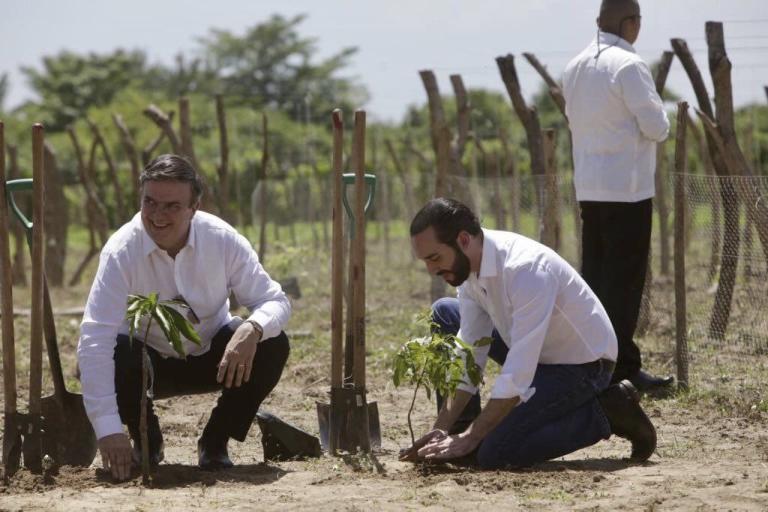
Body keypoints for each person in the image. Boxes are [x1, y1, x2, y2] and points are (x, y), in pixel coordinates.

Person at [77, 154, 291, 481]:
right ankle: (145, 439)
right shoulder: (121, 251)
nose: (158, 216)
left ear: (195, 207)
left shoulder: (221, 239)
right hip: (145, 368)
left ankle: (216, 441)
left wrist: (252, 328)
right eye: (150, 202)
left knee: (272, 343)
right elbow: (95, 338)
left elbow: (274, 300)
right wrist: (108, 430)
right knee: (118, 352)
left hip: (215, 359)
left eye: (172, 206)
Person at [403, 198, 656, 469]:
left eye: (435, 258)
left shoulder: (525, 270)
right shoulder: (469, 269)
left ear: (463, 240)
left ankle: (607, 412)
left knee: (495, 453)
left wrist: (475, 435)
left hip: (582, 365)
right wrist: (440, 428)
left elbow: (519, 372)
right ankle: (458, 440)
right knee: (446, 312)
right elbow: (470, 350)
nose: (431, 270)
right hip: (535, 354)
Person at [562, 0, 673, 391]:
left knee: (594, 279)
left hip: (589, 189)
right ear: (631, 23)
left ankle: (594, 362)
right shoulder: (628, 65)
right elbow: (657, 127)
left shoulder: (574, 67)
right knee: (624, 284)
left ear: (598, 23)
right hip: (627, 191)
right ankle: (623, 369)